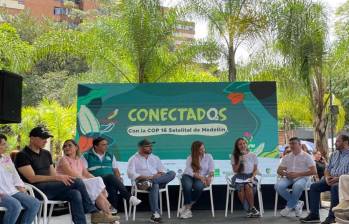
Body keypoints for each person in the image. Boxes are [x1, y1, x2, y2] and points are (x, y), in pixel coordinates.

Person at [14, 126, 114, 224]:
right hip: (36, 190)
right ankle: (92, 211)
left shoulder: (46, 153)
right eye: (42, 138)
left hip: (51, 187)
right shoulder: (22, 155)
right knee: (77, 181)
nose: (45, 140)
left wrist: (59, 178)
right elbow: (32, 178)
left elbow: (53, 174)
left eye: (46, 138)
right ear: (32, 139)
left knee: (75, 193)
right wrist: (57, 177)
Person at [56, 139, 118, 221]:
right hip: (67, 184)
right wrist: (93, 182)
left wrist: (96, 180)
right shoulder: (63, 159)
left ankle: (106, 216)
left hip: (79, 183)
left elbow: (86, 174)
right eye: (65, 146)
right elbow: (72, 174)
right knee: (95, 188)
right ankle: (108, 213)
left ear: (76, 148)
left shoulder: (79, 160)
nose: (66, 147)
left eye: (69, 145)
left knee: (97, 182)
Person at [82, 137, 141, 214]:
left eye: (107, 144)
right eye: (103, 145)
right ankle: (128, 197)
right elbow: (84, 173)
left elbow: (116, 170)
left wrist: (119, 180)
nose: (106, 146)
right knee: (110, 176)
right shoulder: (86, 156)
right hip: (95, 182)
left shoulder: (110, 155)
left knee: (112, 185)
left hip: (108, 182)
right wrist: (96, 179)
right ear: (96, 146)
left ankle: (112, 212)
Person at [300, 134, 349, 224]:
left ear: (346, 142)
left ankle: (332, 217)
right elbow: (327, 168)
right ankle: (314, 215)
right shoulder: (334, 154)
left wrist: (338, 179)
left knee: (334, 187)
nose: (335, 143)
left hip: (345, 182)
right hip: (330, 179)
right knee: (314, 186)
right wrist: (326, 177)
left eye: (338, 141)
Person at [127, 139, 176, 223]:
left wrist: (157, 176)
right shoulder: (133, 159)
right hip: (142, 182)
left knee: (172, 173)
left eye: (151, 146)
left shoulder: (155, 157)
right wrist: (147, 177)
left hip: (156, 180)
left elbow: (162, 170)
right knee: (155, 185)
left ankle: (153, 182)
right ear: (141, 148)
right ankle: (155, 214)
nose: (150, 148)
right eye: (147, 146)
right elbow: (131, 174)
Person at [0, 134, 40, 224]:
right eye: (3, 144)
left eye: (5, 144)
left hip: (12, 191)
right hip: (1, 194)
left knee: (35, 203)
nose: (6, 146)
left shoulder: (5, 159)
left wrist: (20, 186)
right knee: (15, 206)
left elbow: (14, 174)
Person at [275, 137, 317, 217]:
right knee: (278, 186)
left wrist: (297, 174)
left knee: (297, 186)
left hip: (303, 177)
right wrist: (287, 174)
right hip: (289, 177)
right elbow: (279, 171)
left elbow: (314, 171)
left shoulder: (307, 156)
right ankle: (297, 203)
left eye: (294, 143)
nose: (292, 145)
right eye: (290, 144)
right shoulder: (287, 157)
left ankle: (289, 207)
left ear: (300, 145)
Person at [178, 141, 214, 219]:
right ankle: (188, 211)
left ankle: (187, 207)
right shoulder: (190, 157)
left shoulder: (209, 156)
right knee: (187, 186)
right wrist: (200, 177)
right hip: (188, 176)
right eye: (200, 149)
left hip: (201, 178)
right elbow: (189, 171)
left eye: (203, 148)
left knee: (199, 187)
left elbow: (211, 170)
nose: (203, 150)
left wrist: (209, 177)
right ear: (195, 150)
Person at [230, 138, 260, 217]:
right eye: (240, 144)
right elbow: (235, 170)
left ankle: (251, 209)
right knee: (240, 187)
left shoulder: (253, 155)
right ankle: (250, 209)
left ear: (246, 144)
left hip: (250, 176)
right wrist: (240, 160)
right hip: (239, 176)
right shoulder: (234, 156)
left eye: (244, 143)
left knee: (248, 185)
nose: (242, 145)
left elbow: (255, 170)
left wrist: (252, 177)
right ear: (237, 146)